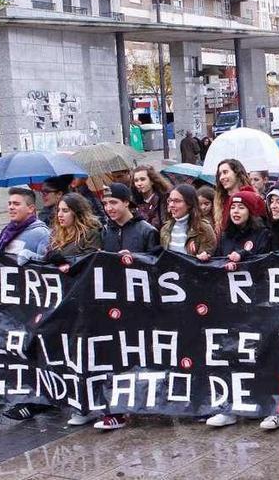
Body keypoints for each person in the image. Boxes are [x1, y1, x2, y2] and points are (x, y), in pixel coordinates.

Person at [198, 189, 270, 429]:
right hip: (230, 306)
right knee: (230, 354)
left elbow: (266, 262)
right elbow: (219, 259)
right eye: (233, 207)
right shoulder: (225, 234)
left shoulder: (262, 234)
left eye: (241, 207)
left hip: (257, 306)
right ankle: (229, 406)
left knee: (257, 354)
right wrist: (210, 258)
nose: (236, 212)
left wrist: (244, 256)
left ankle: (260, 404)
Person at [96, 183, 160, 430]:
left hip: (140, 305)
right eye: (105, 204)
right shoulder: (105, 231)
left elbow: (157, 264)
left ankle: (146, 402)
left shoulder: (146, 231)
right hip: (114, 304)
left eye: (114, 203)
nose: (109, 208)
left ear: (127, 203)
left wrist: (137, 261)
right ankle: (117, 409)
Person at [0, 187, 51, 422]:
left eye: (16, 203)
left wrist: (32, 259)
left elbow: (48, 266)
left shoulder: (39, 233)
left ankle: (38, 400)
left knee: (32, 351)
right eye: (9, 204)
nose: (11, 207)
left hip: (31, 305)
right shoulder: (8, 231)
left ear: (31, 208)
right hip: (11, 304)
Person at [160, 184, 217, 256]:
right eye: (170, 200)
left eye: (177, 201)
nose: (171, 205)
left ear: (189, 204)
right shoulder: (165, 228)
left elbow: (207, 258)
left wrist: (204, 255)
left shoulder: (204, 229)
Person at [214, 159, 253, 232]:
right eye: (220, 174)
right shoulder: (220, 201)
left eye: (225, 172)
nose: (221, 177)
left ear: (236, 173)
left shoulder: (251, 198)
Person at [132, 165, 171, 232]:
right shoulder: (134, 203)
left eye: (143, 179)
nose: (139, 183)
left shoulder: (163, 200)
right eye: (136, 180)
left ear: (152, 181)